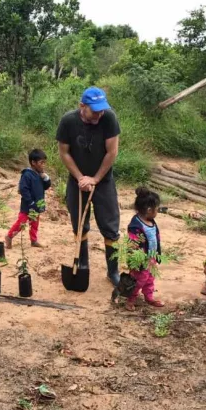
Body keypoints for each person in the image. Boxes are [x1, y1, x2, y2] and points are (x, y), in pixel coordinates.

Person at [57, 86, 121, 286]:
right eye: (95, 110)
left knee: (110, 226)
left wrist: (94, 179)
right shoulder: (68, 121)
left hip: (103, 181)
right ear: (82, 106)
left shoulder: (108, 118)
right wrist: (80, 178)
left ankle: (113, 271)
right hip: (77, 182)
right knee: (79, 223)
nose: (99, 113)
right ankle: (82, 265)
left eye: (102, 109)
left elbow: (112, 152)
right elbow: (64, 153)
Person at [125, 188, 164, 311]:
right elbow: (133, 244)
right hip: (140, 261)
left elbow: (156, 238)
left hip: (151, 258)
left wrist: (157, 255)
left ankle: (149, 297)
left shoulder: (151, 221)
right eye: (156, 208)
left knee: (150, 279)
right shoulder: (135, 225)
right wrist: (138, 261)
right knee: (138, 281)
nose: (157, 210)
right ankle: (130, 300)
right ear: (149, 210)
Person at [5, 149, 51, 249]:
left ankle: (34, 241)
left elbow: (46, 186)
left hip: (37, 204)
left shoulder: (40, 174)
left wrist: (46, 178)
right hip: (28, 205)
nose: (43, 165)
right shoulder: (27, 175)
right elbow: (23, 189)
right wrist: (30, 202)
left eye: (44, 163)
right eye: (41, 163)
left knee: (34, 223)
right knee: (21, 222)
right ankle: (9, 236)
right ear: (33, 163)